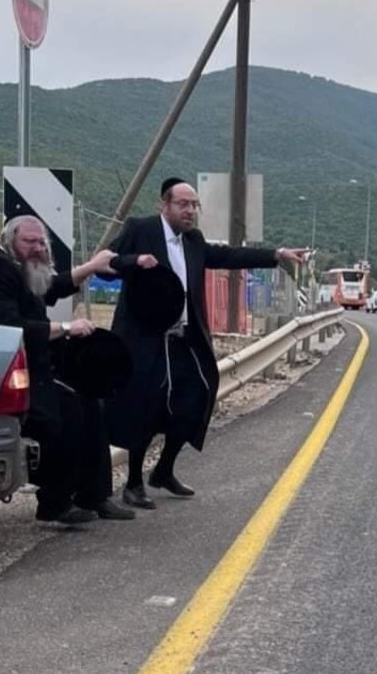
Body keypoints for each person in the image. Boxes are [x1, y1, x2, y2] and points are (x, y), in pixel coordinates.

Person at [107, 177, 308, 508]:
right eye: (183, 204)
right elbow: (106, 263)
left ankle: (164, 470)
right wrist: (134, 262)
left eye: (194, 205)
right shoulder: (139, 230)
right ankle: (133, 483)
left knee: (197, 397)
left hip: (184, 338)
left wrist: (276, 254)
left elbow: (228, 256)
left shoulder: (193, 241)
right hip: (146, 338)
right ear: (164, 205)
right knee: (145, 406)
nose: (190, 211)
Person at [0, 215, 130, 525]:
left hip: (25, 362)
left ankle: (95, 495)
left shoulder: (18, 265)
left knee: (89, 399)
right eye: (29, 242)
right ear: (10, 240)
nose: (37, 248)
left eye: (41, 242)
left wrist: (90, 268)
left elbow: (50, 287)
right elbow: (8, 326)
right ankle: (54, 504)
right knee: (62, 414)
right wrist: (66, 327)